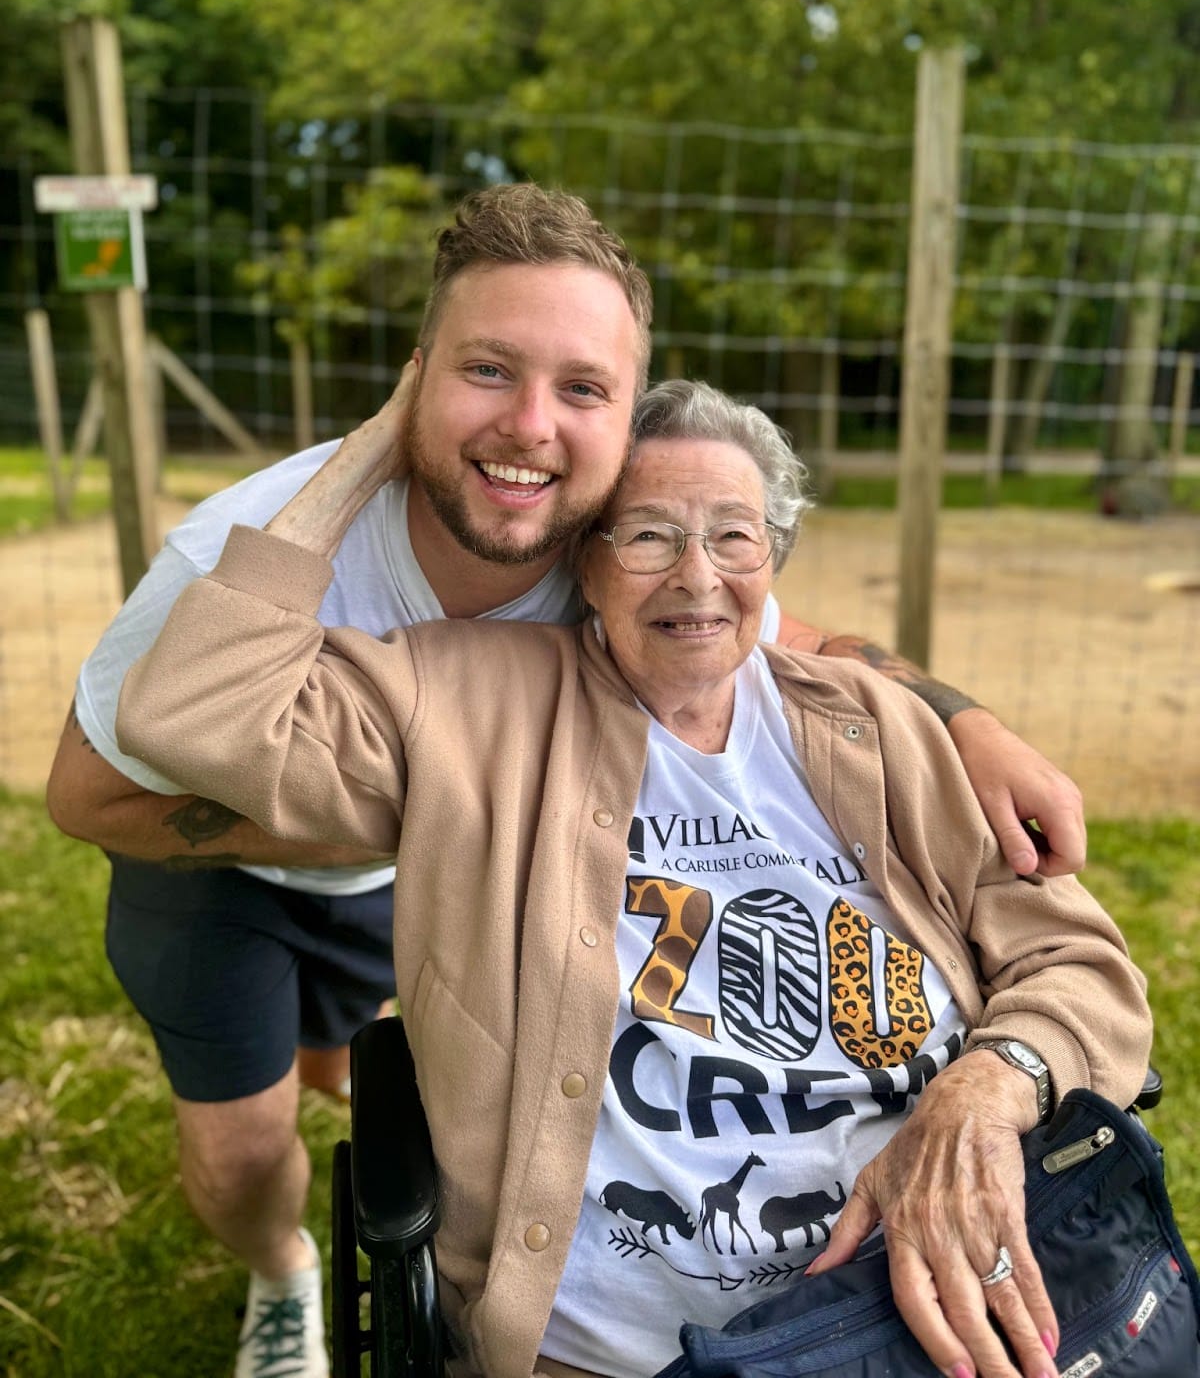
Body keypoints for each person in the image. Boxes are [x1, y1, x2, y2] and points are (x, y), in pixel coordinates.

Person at [48, 185, 1086, 1378]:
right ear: (415, 378)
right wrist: (364, 465)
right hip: (229, 862)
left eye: (582, 389)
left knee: (391, 1056)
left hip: (448, 830)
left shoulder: (603, 539)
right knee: (242, 1151)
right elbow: (86, 796)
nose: (531, 428)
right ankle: (280, 1268)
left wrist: (972, 725)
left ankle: (341, 1040)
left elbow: (783, 635)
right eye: (486, 371)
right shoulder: (237, 552)